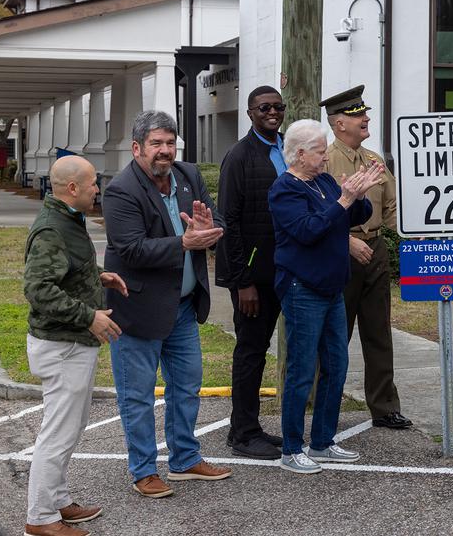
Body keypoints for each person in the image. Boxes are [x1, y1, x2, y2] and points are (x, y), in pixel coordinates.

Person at [103, 110, 232, 498]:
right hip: (137, 311)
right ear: (137, 147)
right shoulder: (121, 190)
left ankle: (184, 459)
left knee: (187, 386)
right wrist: (184, 243)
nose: (165, 151)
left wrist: (208, 227)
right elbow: (131, 248)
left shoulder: (188, 175)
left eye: (170, 143)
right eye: (156, 144)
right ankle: (144, 470)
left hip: (182, 307)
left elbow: (216, 219)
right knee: (138, 395)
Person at [268, 119, 384, 474]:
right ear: (300, 154)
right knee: (302, 371)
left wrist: (358, 196)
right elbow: (309, 231)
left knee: (336, 366)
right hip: (303, 289)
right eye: (320, 152)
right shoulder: (284, 190)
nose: (325, 158)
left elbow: (351, 217)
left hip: (332, 287)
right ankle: (291, 448)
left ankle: (322, 441)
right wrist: (345, 199)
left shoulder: (323, 181)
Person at [23, 155, 128, 536]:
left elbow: (62, 272)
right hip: (62, 345)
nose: (97, 188)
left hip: (70, 345)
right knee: (59, 432)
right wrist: (89, 316)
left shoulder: (67, 219)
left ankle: (58, 500)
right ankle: (40, 518)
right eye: (92, 183)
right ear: (72, 189)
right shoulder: (53, 228)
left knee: (70, 426)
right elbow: (37, 289)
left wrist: (97, 277)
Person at [321, 85, 412, 430]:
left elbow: (391, 206)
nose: (366, 119)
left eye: (364, 113)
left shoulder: (374, 160)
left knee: (378, 332)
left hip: (374, 249)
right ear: (339, 123)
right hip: (338, 252)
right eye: (358, 115)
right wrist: (345, 241)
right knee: (333, 334)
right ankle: (323, 404)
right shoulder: (325, 161)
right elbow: (316, 213)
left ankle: (385, 406)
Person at [215, 85, 287, 460]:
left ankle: (250, 426)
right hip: (253, 277)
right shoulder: (239, 156)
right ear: (250, 113)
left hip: (285, 270)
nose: (272, 112)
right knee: (251, 351)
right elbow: (227, 221)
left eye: (277, 106)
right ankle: (243, 433)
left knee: (263, 350)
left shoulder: (288, 150)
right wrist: (242, 281)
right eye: (264, 108)